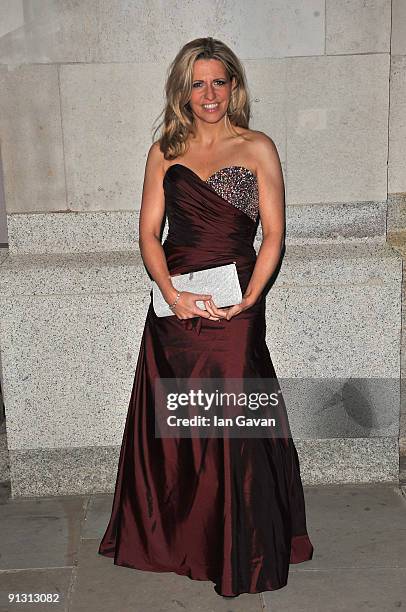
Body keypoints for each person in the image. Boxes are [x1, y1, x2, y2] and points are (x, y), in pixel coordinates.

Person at [98, 36, 313, 598]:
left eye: (219, 81)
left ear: (234, 86)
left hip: (236, 301)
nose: (209, 93)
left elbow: (274, 235)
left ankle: (245, 547)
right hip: (177, 306)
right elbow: (148, 234)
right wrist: (169, 293)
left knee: (238, 421)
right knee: (180, 424)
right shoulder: (164, 151)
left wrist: (251, 299)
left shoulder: (258, 147)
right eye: (198, 83)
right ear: (183, 91)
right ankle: (180, 539)